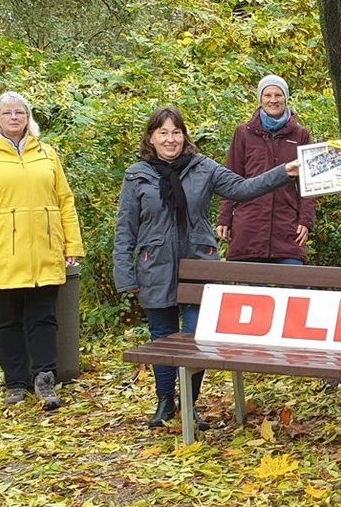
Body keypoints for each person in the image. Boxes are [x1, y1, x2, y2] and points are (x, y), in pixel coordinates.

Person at [113, 107, 299, 429]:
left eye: (176, 132)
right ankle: (164, 401)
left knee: (196, 338)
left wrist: (286, 171)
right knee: (162, 337)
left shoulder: (203, 168)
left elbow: (245, 189)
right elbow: (125, 228)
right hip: (154, 266)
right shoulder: (137, 175)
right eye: (163, 133)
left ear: (185, 136)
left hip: (199, 264)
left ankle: (190, 403)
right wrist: (125, 274)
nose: (170, 139)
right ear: (151, 138)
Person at [0, 91, 84, 411]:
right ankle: (15, 382)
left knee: (44, 318)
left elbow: (65, 202)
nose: (14, 117)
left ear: (29, 118)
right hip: (3, 254)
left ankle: (44, 377)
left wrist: (72, 245)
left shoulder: (47, 154)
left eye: (20, 112)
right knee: (8, 321)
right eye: (7, 113)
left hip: (45, 250)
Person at [216, 75, 315, 265]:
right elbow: (230, 178)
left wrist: (306, 220)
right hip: (249, 226)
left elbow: (308, 183)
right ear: (260, 98)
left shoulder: (301, 135)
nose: (273, 100)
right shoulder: (243, 133)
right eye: (267, 95)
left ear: (286, 98)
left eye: (278, 95)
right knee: (250, 292)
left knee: (296, 287)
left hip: (287, 227)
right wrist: (224, 219)